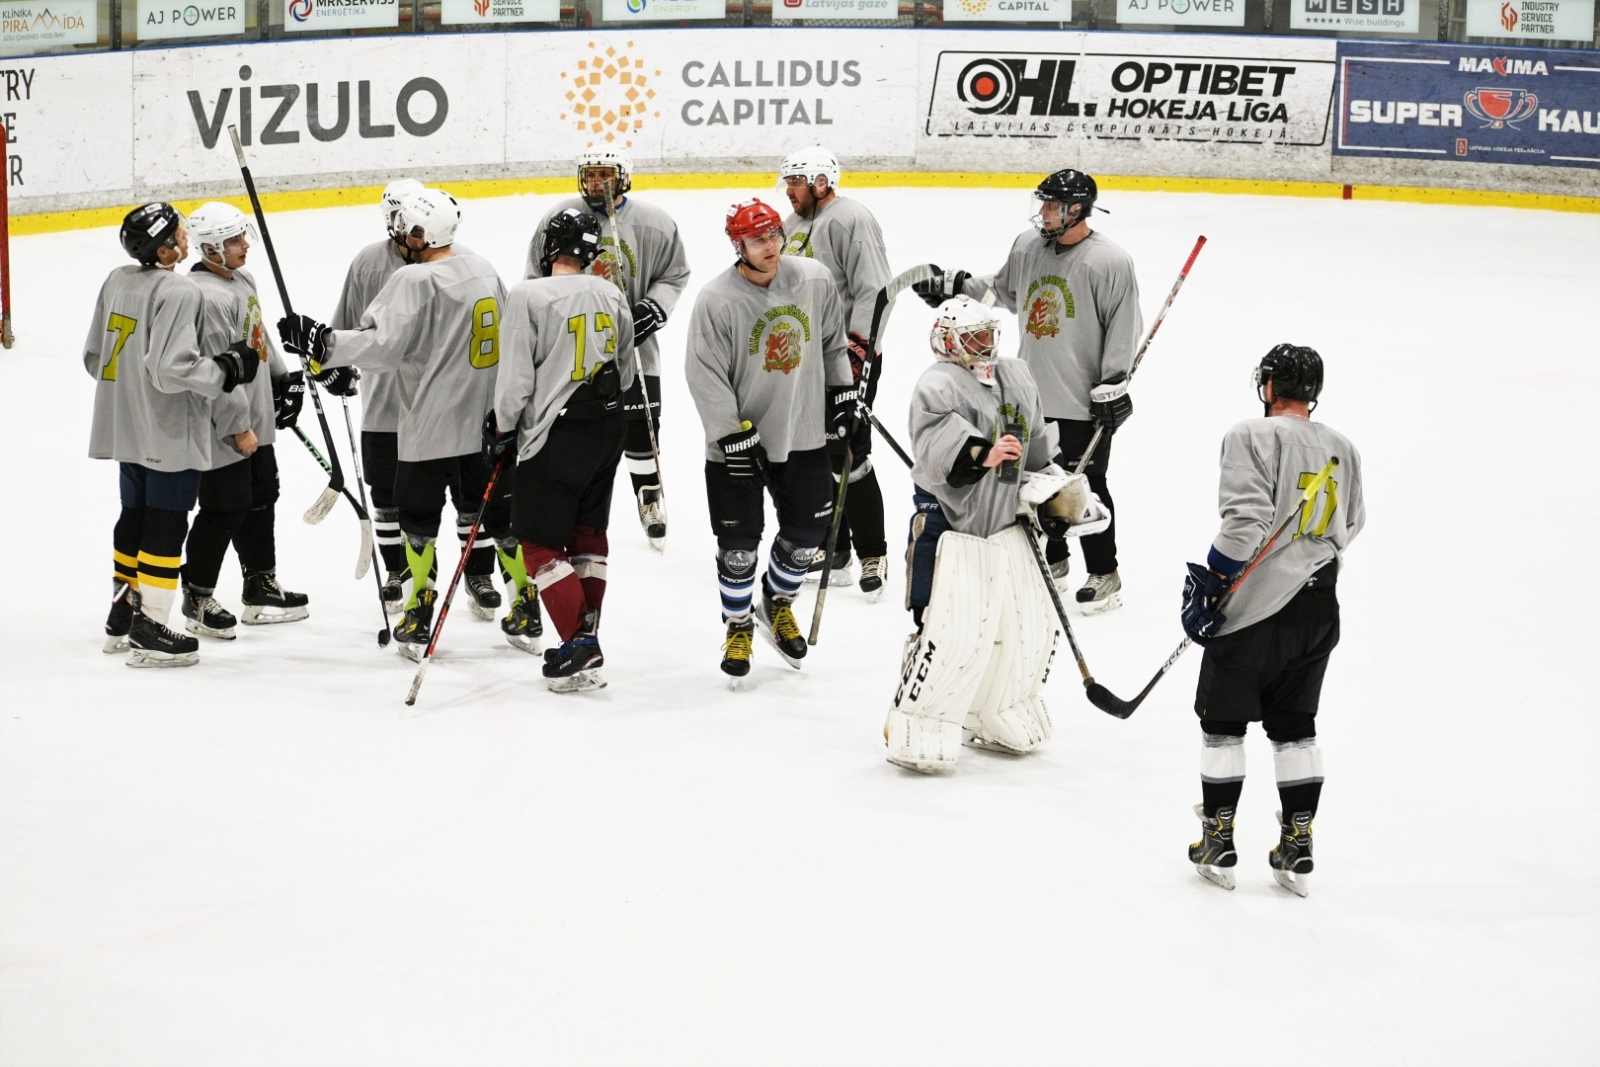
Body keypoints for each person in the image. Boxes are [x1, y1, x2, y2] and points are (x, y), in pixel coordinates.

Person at [279, 189, 513, 662]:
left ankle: (421, 605)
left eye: (407, 226)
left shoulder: (413, 278)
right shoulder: (482, 267)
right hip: (478, 419)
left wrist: (324, 345)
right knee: (491, 511)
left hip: (426, 420)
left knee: (419, 518)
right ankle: (523, 602)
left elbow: (381, 346)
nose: (399, 231)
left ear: (423, 233)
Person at [887, 296, 1108, 773]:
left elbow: (1036, 448)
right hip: (949, 518)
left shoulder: (1016, 374)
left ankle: (1000, 708)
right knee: (951, 627)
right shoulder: (937, 384)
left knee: (1026, 625)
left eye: (989, 335)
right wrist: (983, 455)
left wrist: (1059, 493)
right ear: (948, 342)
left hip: (1007, 516)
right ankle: (919, 717)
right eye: (974, 337)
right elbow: (938, 453)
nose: (985, 345)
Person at [1178, 345, 1364, 896]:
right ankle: (1297, 846)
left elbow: (1246, 522)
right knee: (1295, 727)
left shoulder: (1249, 435)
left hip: (1256, 608)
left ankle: (1218, 840)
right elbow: (1352, 521)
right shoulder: (1344, 447)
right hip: (1318, 609)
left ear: (1269, 386)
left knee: (1222, 725)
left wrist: (1214, 579)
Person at [912, 169, 1140, 614]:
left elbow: (1124, 325)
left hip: (1080, 399)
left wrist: (1113, 384)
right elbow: (1002, 291)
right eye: (1043, 203)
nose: (1043, 213)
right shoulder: (1028, 246)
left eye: (1053, 206)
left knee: (1083, 484)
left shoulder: (1109, 262)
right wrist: (956, 286)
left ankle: (1104, 571)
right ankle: (1055, 558)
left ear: (1077, 210)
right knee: (1029, 480)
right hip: (1025, 395)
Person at [86, 203, 259, 667]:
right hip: (167, 429)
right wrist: (226, 369)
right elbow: (171, 370)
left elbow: (94, 357)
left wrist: (132, 393)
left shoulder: (117, 279)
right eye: (179, 235)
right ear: (164, 250)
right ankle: (151, 628)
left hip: (125, 425)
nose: (186, 238)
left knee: (134, 516)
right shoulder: (179, 290)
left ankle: (123, 614)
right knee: (166, 522)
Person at [684, 199, 851, 678]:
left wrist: (842, 393)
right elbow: (704, 373)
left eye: (774, 234)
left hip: (802, 434)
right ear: (738, 245)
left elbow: (832, 343)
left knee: (806, 537)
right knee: (738, 551)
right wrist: (728, 434)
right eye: (757, 239)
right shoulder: (716, 299)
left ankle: (776, 601)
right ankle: (737, 625)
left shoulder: (814, 279)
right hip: (738, 445)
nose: (770, 245)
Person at [487, 209, 635, 691]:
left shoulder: (528, 295)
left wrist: (502, 429)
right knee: (588, 534)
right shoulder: (611, 292)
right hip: (607, 428)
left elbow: (515, 379)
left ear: (549, 247)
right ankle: (587, 636)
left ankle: (578, 640)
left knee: (539, 544)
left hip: (556, 434)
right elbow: (626, 369)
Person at [525, 148, 690, 552]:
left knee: (641, 427)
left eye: (606, 175)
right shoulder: (559, 217)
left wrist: (654, 307)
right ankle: (574, 505)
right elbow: (535, 277)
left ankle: (648, 495)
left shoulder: (654, 223)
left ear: (623, 178)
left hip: (632, 349)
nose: (598, 183)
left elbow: (674, 274)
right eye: (592, 175)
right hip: (571, 350)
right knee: (574, 431)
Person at [179, 202, 309, 640]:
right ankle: (197, 596)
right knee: (224, 508)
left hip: (254, 415)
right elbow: (219, 371)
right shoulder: (205, 297)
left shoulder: (241, 279)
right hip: (224, 425)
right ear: (210, 248)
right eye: (233, 240)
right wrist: (238, 426)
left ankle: (260, 585)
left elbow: (257, 338)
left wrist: (281, 380)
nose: (244, 246)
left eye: (242, 236)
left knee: (262, 495)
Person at [778, 145, 894, 599]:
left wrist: (859, 350)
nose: (790, 191)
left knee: (849, 454)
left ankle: (873, 552)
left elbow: (875, 290)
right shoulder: (791, 227)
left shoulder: (851, 218)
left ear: (821, 182)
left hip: (849, 360)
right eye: (787, 182)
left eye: (796, 182)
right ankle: (835, 550)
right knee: (817, 456)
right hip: (806, 363)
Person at [332, 178, 421, 612]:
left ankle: (465, 574)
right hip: (383, 406)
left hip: (434, 407)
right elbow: (344, 328)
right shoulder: (368, 264)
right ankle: (396, 572)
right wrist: (334, 366)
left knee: (430, 501)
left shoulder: (452, 261)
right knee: (385, 497)